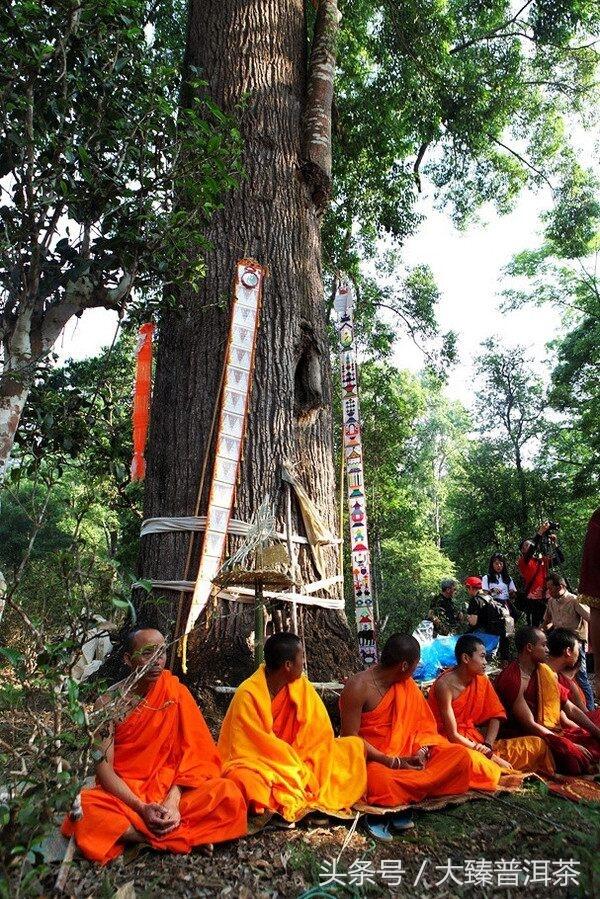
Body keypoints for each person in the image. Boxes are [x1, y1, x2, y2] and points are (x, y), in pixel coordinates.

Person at [62, 628, 247, 864]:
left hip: (172, 788)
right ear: (128, 659)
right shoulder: (108, 703)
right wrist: (141, 807)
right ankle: (167, 837)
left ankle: (156, 830)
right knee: (85, 809)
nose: (157, 661)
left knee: (228, 793)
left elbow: (197, 757)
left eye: (161, 653)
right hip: (127, 795)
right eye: (147, 654)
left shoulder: (176, 693)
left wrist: (173, 802)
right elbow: (104, 770)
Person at [339, 634, 503, 843]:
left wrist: (421, 751)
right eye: (416, 665)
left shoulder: (406, 685)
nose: (417, 670)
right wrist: (393, 762)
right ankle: (389, 805)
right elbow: (350, 739)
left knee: (460, 756)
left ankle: (401, 799)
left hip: (410, 756)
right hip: (375, 759)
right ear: (404, 666)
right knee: (379, 782)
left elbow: (423, 727)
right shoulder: (358, 687)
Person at [218, 632, 366, 823]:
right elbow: (246, 746)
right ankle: (295, 796)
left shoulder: (300, 686)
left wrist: (300, 760)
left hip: (299, 758)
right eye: (301, 658)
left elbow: (319, 733)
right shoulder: (248, 694)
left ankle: (296, 795)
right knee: (244, 782)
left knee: (352, 748)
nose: (303, 663)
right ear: (288, 665)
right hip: (261, 763)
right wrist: (291, 764)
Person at [427, 635, 554, 774]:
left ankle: (492, 766)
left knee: (537, 744)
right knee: (467, 760)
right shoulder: (444, 686)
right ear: (466, 658)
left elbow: (496, 715)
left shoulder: (481, 679)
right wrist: (487, 754)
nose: (485, 662)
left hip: (478, 742)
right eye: (482, 656)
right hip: (450, 745)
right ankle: (490, 767)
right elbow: (452, 735)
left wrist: (488, 745)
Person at [494, 626, 600, 775]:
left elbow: (570, 707)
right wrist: (568, 743)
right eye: (543, 645)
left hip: (552, 731)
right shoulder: (512, 678)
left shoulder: (544, 671)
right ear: (529, 648)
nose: (548, 650)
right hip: (527, 735)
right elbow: (530, 724)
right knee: (573, 759)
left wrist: (596, 732)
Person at [542, 572, 594, 711]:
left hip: (575, 644)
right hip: (558, 643)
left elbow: (590, 618)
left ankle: (590, 709)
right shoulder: (551, 601)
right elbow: (547, 621)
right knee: (559, 675)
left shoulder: (574, 600)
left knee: (581, 676)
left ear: (560, 586)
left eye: (550, 588)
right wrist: (540, 633)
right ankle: (564, 706)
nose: (548, 591)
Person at [518, 522, 564, 628]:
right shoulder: (523, 561)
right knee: (535, 626)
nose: (529, 545)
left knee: (551, 624)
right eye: (526, 545)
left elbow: (560, 559)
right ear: (522, 550)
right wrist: (540, 532)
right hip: (534, 600)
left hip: (547, 597)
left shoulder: (541, 561)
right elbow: (532, 548)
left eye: (530, 543)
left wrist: (554, 544)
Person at [465, 575, 514, 659]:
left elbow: (473, 622)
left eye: (467, 588)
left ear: (470, 587)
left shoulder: (475, 600)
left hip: (483, 636)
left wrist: (467, 617)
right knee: (489, 661)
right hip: (495, 636)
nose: (467, 591)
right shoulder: (489, 597)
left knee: (480, 660)